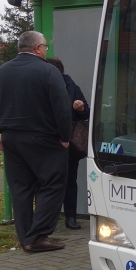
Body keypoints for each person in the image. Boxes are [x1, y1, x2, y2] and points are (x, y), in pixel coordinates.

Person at [0, 31, 72, 252]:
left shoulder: (1, 72)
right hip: (43, 138)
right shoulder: (49, 71)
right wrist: (65, 137)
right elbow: (62, 107)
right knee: (52, 183)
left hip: (11, 138)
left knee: (20, 188)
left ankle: (26, 239)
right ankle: (38, 236)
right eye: (46, 47)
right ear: (38, 48)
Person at [46, 57, 89, 230]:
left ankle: (70, 217)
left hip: (69, 140)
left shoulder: (72, 87)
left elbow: (86, 113)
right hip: (46, 140)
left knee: (69, 179)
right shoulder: (41, 86)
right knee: (47, 180)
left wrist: (81, 108)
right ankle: (49, 218)